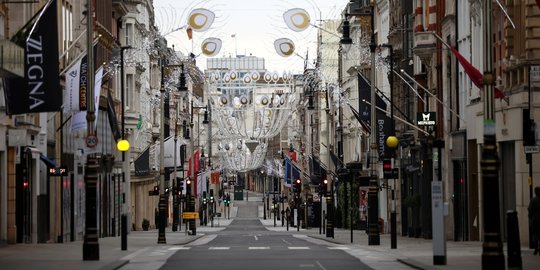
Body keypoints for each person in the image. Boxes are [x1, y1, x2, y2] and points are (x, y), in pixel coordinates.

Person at [529, 186, 540, 255]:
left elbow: (530, 209)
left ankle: (536, 247)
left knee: (535, 234)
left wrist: (530, 217)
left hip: (535, 219)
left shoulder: (533, 200)